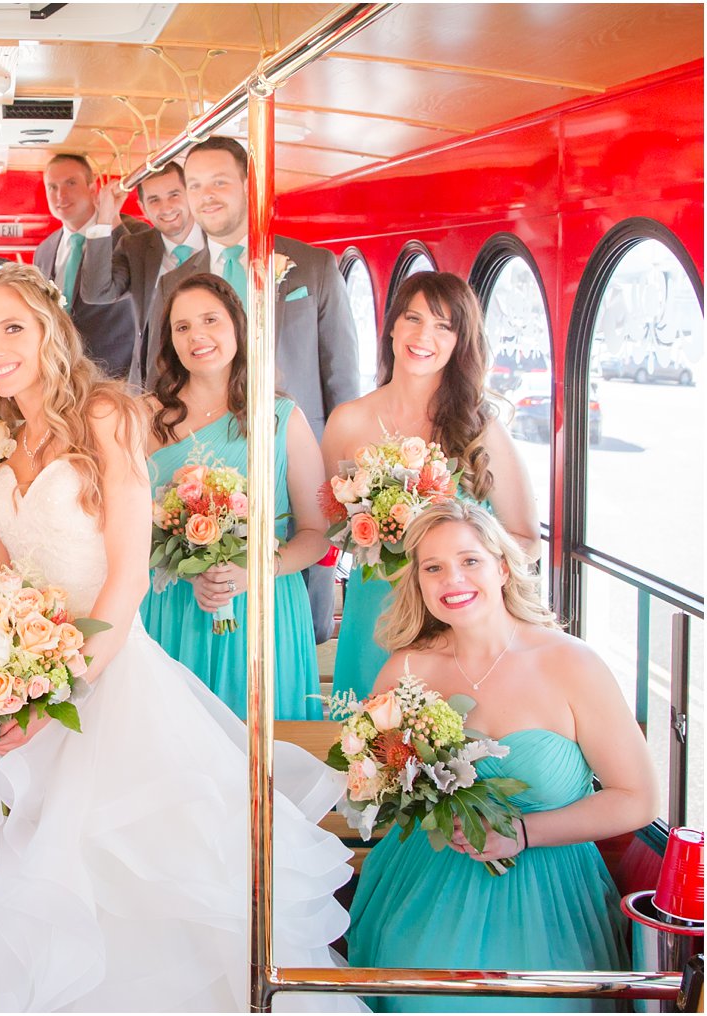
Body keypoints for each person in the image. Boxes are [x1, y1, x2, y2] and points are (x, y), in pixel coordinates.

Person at [0, 263, 359, 1012]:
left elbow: (129, 580)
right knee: (8, 892)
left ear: (51, 332)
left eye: (13, 327)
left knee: (111, 892)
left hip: (103, 685)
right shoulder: (2, 435)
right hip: (20, 689)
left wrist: (59, 692)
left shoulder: (108, 415)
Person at [347, 500, 655, 1012]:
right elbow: (374, 777)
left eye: (470, 561)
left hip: (552, 891)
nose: (453, 579)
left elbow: (638, 799)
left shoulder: (570, 664)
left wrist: (523, 834)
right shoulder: (406, 668)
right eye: (434, 567)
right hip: (430, 878)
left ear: (503, 567)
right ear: (419, 583)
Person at [324, 271, 539, 701]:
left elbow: (525, 539)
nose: (425, 335)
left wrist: (461, 576)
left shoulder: (482, 428)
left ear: (461, 341)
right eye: (413, 318)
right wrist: (382, 543)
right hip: (376, 617)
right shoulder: (347, 421)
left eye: (444, 326)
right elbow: (334, 525)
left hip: (457, 622)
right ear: (392, 328)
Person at [182, 136, 361, 644]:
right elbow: (159, 382)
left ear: (248, 186)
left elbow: (342, 387)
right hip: (205, 482)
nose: (206, 195)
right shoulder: (175, 280)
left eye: (219, 181)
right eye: (195, 185)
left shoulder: (314, 269)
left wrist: (339, 492)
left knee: (302, 628)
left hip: (299, 474)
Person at [141, 273, 330, 720]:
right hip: (172, 608)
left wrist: (259, 572)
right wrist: (186, 571)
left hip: (263, 613)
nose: (197, 336)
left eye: (210, 320)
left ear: (238, 329)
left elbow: (317, 533)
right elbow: (123, 523)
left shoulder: (282, 418)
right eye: (182, 327)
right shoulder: (144, 418)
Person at [78, 159, 207, 384]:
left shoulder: (218, 241)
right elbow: (96, 293)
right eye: (154, 200)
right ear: (142, 207)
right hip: (152, 387)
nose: (165, 208)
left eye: (174, 195)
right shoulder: (136, 248)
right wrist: (104, 217)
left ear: (190, 194)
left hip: (208, 379)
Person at [32, 153, 142, 378]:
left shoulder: (132, 235)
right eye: (52, 187)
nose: (60, 195)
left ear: (93, 189)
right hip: (61, 374)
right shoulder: (44, 250)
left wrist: (107, 219)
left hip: (116, 375)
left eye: (71, 183)